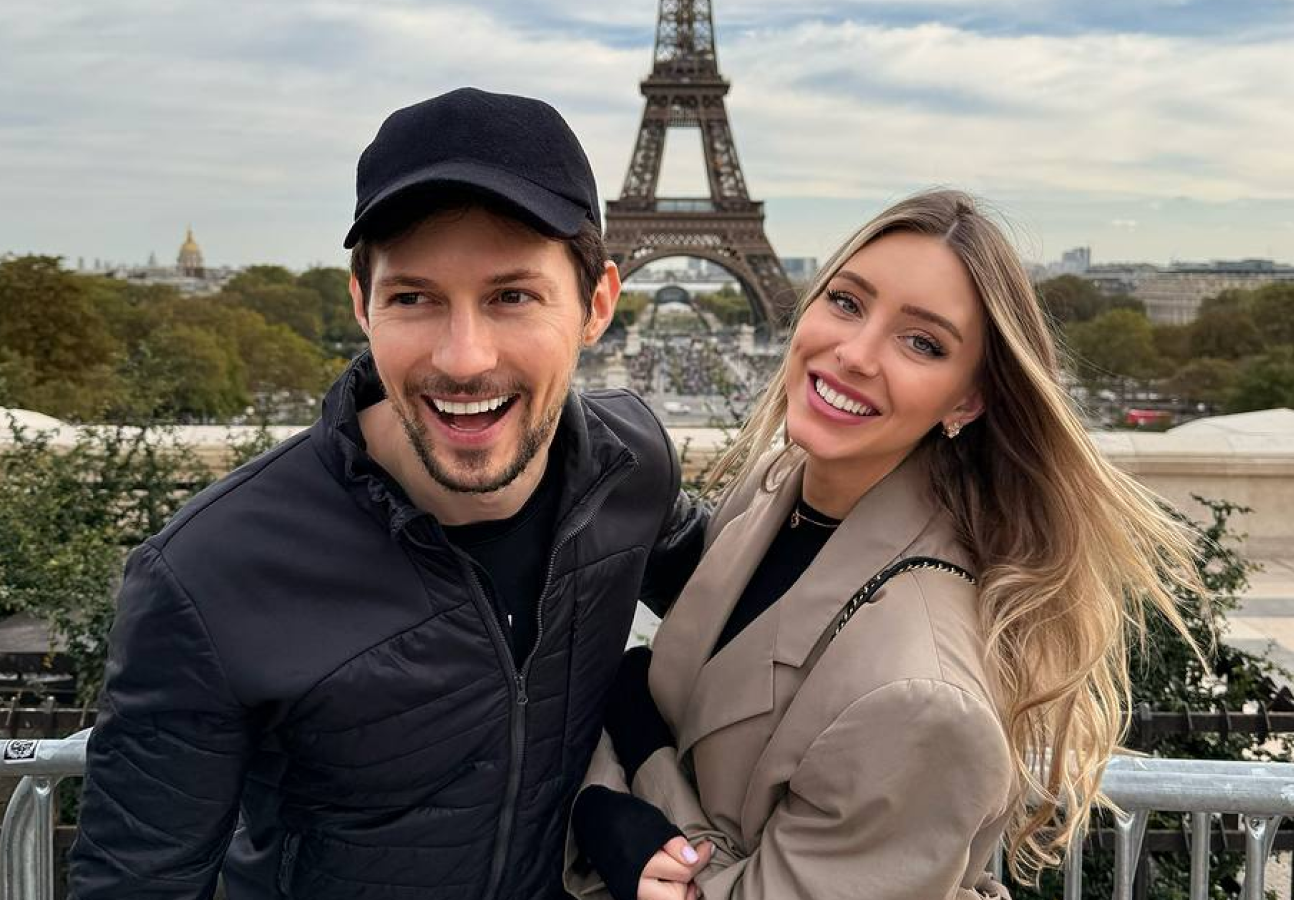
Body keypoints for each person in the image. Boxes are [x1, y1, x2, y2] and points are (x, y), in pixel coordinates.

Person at [68, 87, 707, 900]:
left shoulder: (634, 464)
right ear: (362, 306)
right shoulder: (206, 574)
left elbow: (762, 616)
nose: (465, 357)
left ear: (597, 305)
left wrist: (615, 809)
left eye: (512, 296)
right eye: (414, 297)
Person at [565, 189, 1204, 900]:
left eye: (922, 343)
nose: (855, 353)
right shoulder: (776, 491)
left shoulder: (927, 700)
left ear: (967, 399)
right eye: (846, 301)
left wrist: (619, 794)